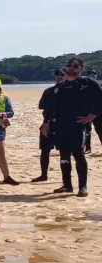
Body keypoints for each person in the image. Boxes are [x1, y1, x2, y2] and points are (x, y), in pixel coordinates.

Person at [43, 57, 102, 196]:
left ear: (81, 68)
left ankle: (83, 186)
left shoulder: (88, 83)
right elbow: (51, 107)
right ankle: (67, 185)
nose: (71, 68)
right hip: (61, 126)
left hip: (78, 126)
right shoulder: (61, 86)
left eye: (75, 66)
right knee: (63, 156)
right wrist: (45, 123)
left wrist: (93, 115)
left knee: (78, 155)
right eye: (69, 65)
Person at [32, 69, 64, 182]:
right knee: (45, 150)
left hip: (63, 125)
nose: (59, 77)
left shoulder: (70, 91)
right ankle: (43, 175)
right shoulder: (48, 91)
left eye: (62, 75)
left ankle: (65, 179)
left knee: (64, 152)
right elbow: (41, 106)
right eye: (57, 75)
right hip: (48, 123)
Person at [87, 69, 102, 152]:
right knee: (86, 131)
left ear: (97, 75)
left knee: (100, 130)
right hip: (86, 112)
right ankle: (87, 148)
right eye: (90, 73)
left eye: (94, 73)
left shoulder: (100, 85)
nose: (92, 75)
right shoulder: (83, 86)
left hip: (98, 112)